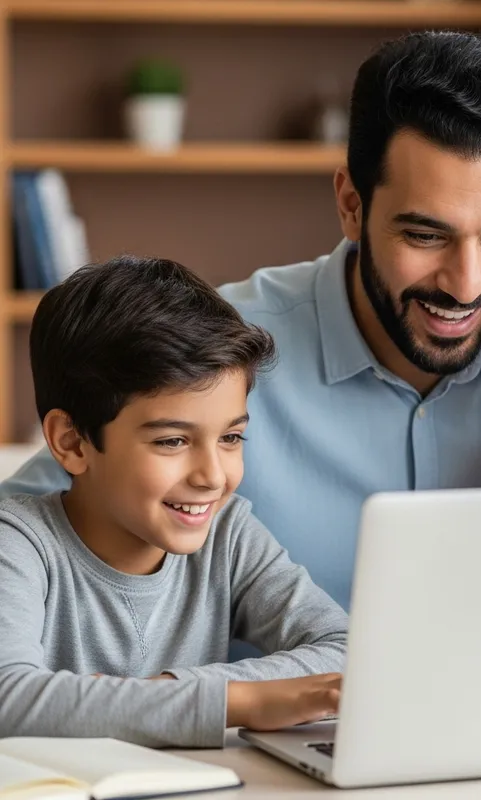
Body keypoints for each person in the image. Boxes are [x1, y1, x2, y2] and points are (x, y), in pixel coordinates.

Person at [1, 31, 481, 609]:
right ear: (351, 204)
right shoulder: (216, 348)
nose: (466, 283)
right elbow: (24, 519)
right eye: (425, 235)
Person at [0, 256, 347, 747]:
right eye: (172, 442)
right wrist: (240, 701)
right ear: (73, 442)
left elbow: (348, 651)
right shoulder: (16, 543)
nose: (212, 478)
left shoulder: (229, 534)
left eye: (230, 438)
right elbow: (8, 699)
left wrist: (161, 695)